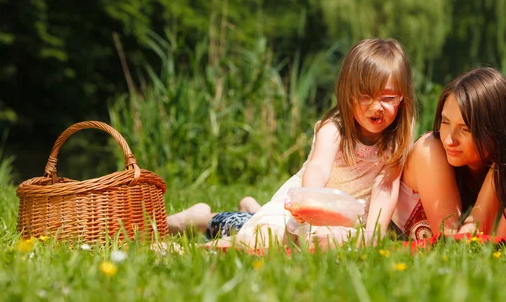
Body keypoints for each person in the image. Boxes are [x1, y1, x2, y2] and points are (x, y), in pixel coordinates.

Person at [169, 38, 416, 249]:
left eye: (387, 97)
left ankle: (251, 208)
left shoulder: (396, 139)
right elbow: (318, 169)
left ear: (403, 97)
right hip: (306, 207)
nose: (376, 107)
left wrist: (372, 233)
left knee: (323, 240)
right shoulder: (335, 128)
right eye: (365, 96)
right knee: (262, 235)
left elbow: (386, 187)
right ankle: (195, 220)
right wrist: (312, 206)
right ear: (348, 93)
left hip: (348, 216)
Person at [392, 67, 506, 240]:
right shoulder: (429, 152)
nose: (449, 140)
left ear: (497, 131)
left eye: (465, 129)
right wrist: (496, 175)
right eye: (445, 122)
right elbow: (454, 246)